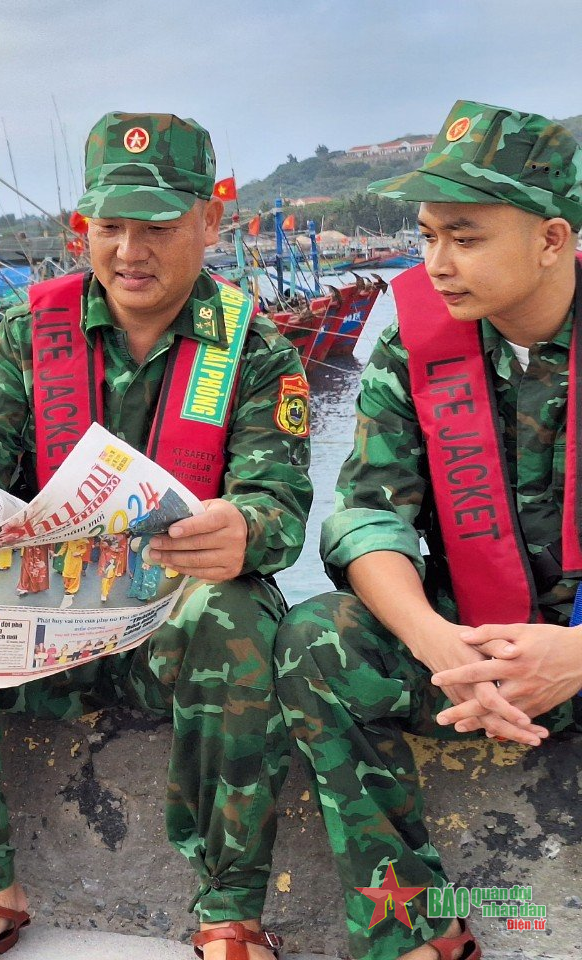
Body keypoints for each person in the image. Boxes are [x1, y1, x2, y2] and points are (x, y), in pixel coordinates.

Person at [0, 112, 312, 960]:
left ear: (210, 223)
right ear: (85, 228)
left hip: (170, 631)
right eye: (110, 227)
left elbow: (281, 501)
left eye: (157, 227)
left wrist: (243, 528)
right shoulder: (28, 335)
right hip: (43, 628)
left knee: (242, 621)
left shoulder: (254, 348)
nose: (129, 252)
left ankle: (231, 910)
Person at [275, 100, 582, 960]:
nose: (437, 264)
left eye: (467, 236)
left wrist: (576, 654)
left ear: (552, 239)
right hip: (472, 650)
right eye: (426, 235)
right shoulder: (416, 350)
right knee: (314, 637)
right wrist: (438, 642)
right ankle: (414, 934)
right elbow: (369, 515)